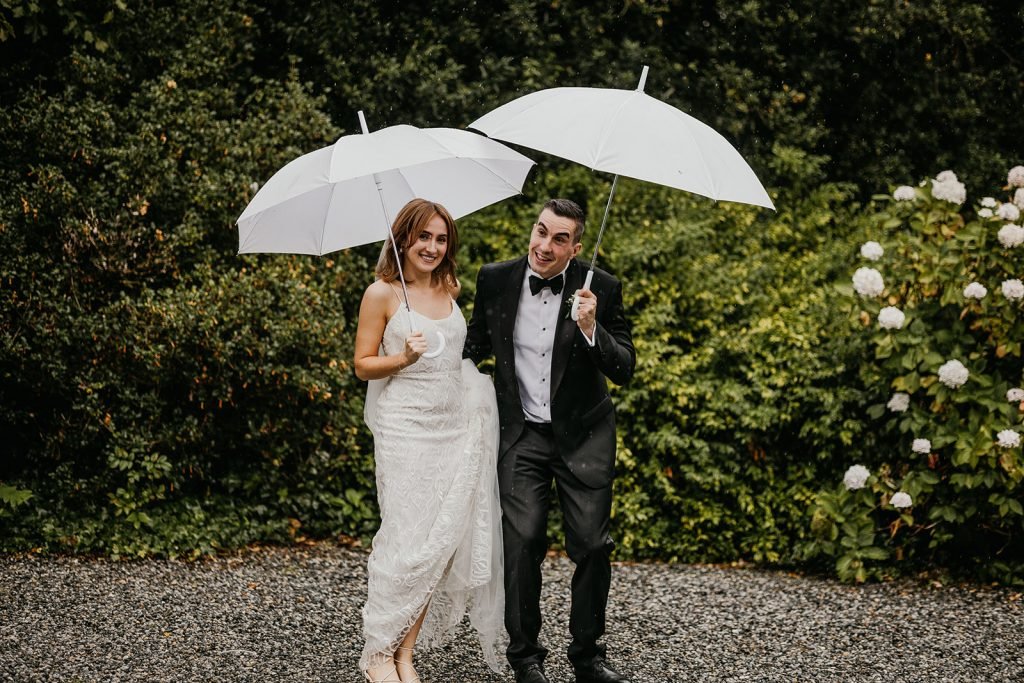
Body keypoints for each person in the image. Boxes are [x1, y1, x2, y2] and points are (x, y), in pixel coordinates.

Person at [464, 198, 636, 683]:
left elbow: (624, 366)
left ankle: (588, 656)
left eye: (560, 239)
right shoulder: (495, 278)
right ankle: (525, 659)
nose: (545, 245)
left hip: (584, 435)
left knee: (592, 546)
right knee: (522, 544)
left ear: (576, 246)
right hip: (521, 435)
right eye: (541, 231)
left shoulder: (601, 286)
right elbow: (474, 347)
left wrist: (590, 328)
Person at [354, 198, 503, 683]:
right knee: (404, 539)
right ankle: (378, 653)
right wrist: (401, 359)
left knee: (437, 546)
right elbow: (361, 364)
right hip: (404, 429)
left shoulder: (450, 287)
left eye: (441, 239)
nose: (433, 247)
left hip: (452, 429)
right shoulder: (382, 293)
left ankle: (405, 655)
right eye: (424, 237)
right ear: (403, 238)